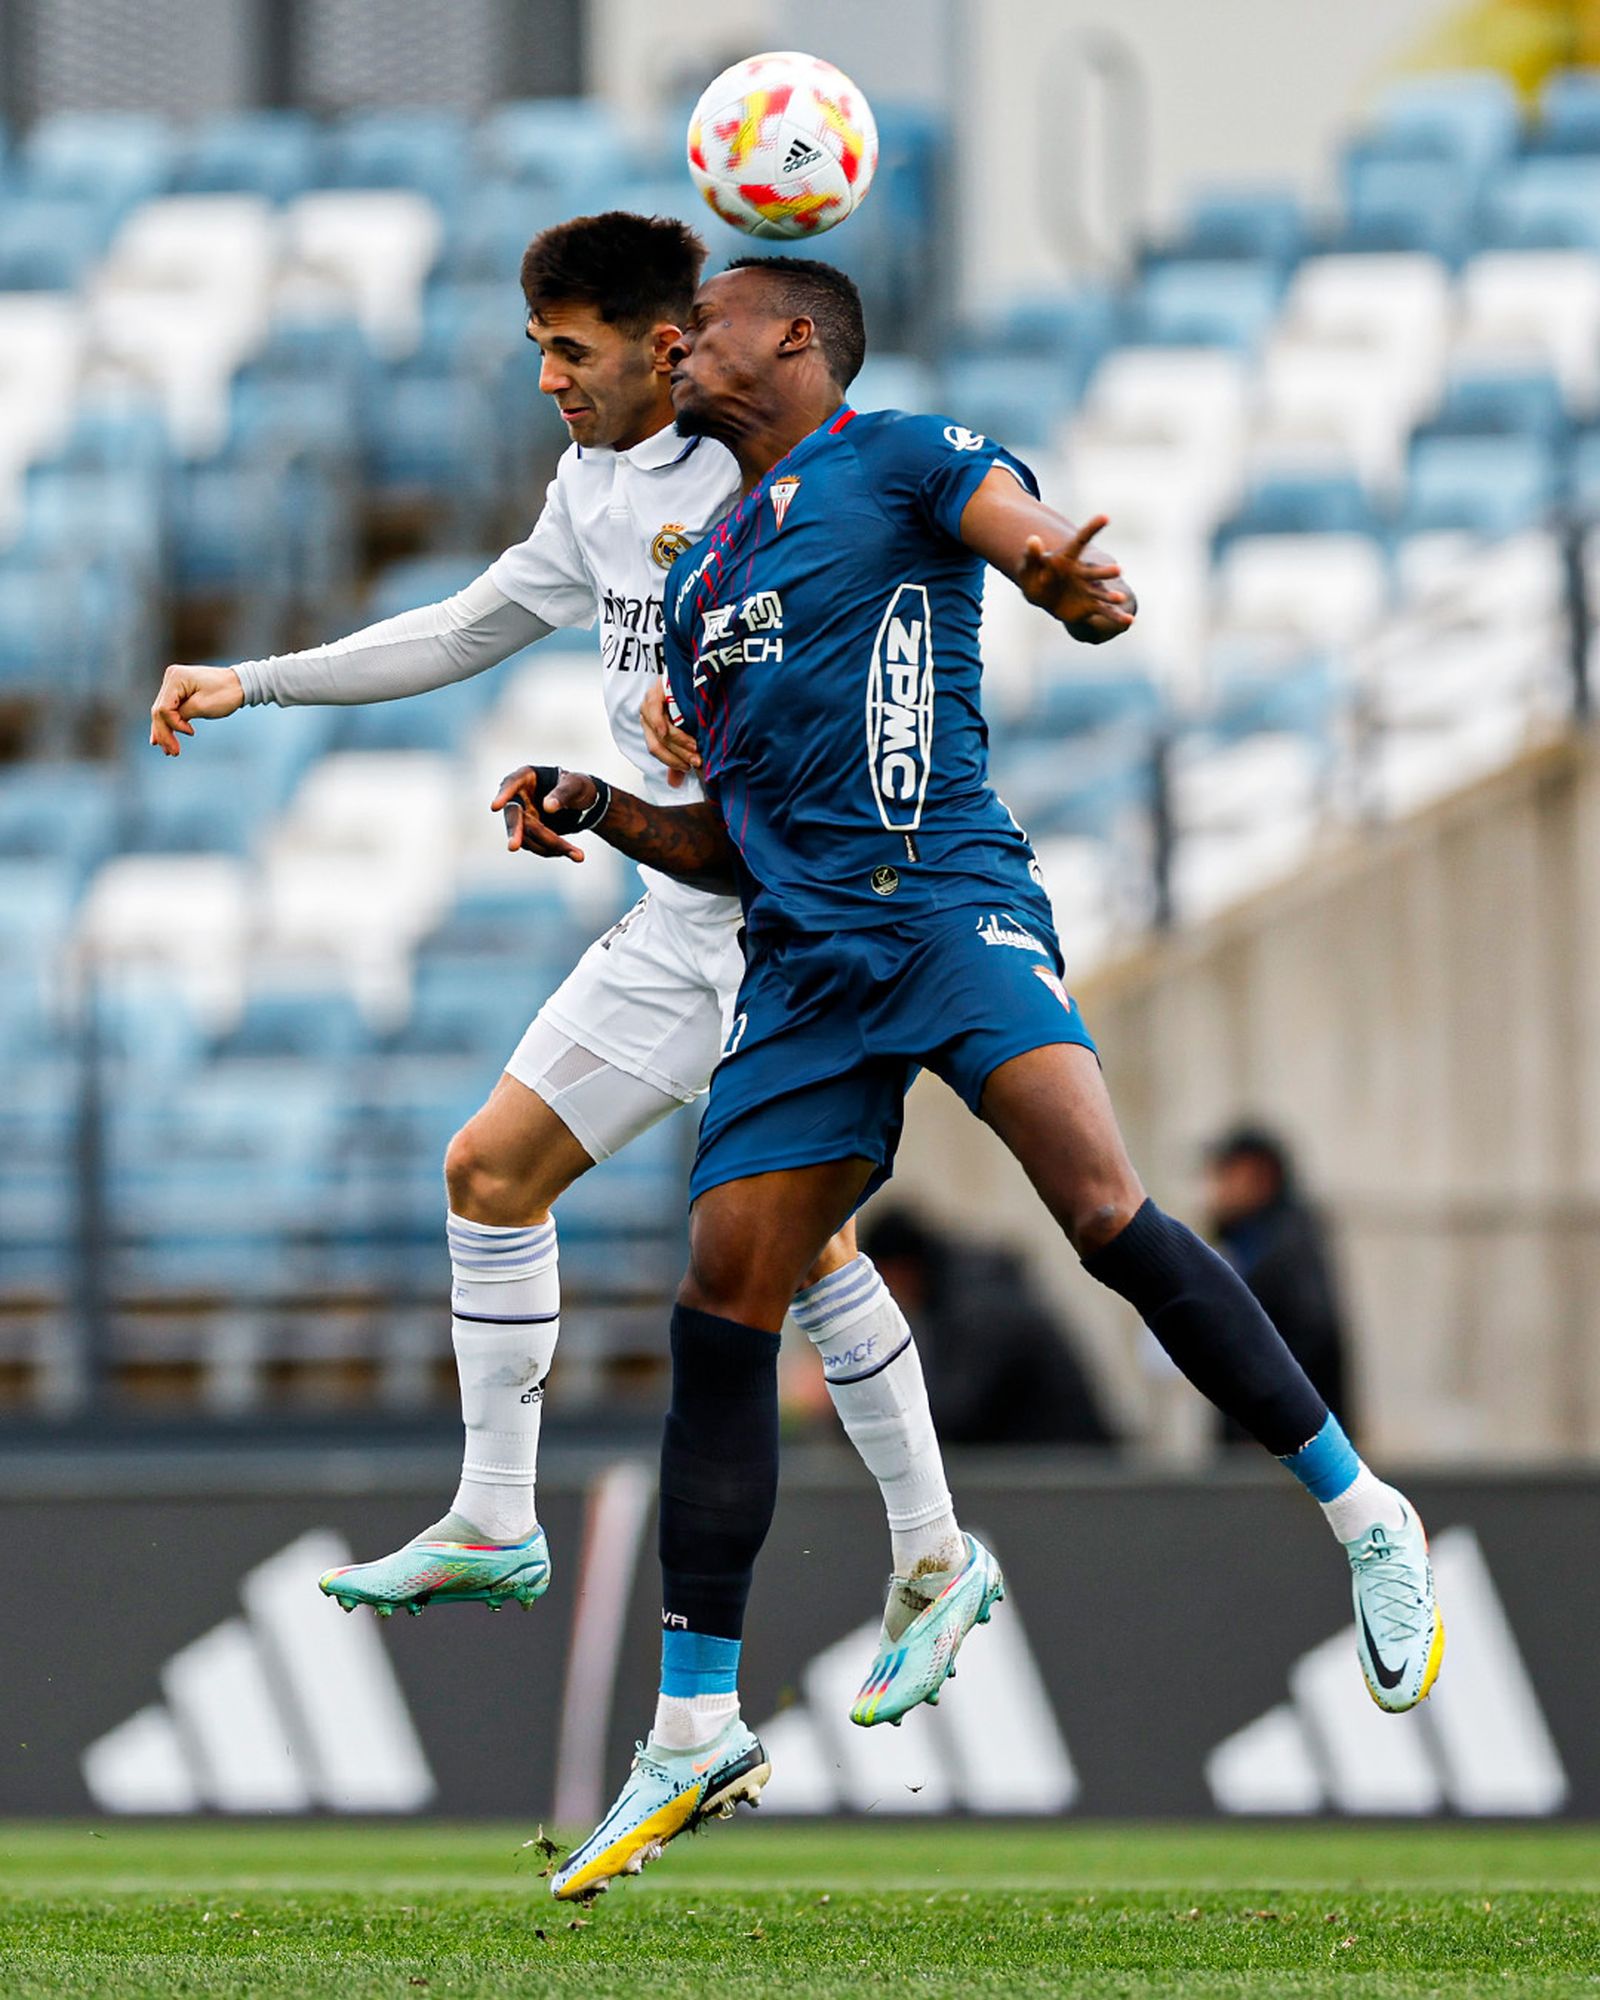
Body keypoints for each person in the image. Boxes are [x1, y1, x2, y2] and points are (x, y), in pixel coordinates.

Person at [495, 254, 1444, 1899]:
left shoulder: (912, 451)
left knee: (1096, 1203)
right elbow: (730, 840)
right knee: (722, 1300)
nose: (679, 341)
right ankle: (697, 1723)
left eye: (704, 321)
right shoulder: (710, 570)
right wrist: (600, 805)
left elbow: (1041, 552)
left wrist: (1080, 590)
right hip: (801, 965)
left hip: (945, 903)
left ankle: (1366, 1515)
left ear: (791, 338)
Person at [146, 214, 970, 1653]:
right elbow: (473, 622)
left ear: (667, 345)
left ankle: (934, 1552)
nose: (546, 378)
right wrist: (252, 681)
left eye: (568, 349)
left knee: (804, 1247)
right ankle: (495, 1515)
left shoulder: (766, 467)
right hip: (672, 917)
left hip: (788, 927)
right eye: (536, 349)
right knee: (488, 1169)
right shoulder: (593, 485)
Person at [862, 1206, 1116, 1446]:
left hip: (1071, 1475)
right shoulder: (957, 1298)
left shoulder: (981, 1307)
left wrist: (856, 1392)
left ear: (897, 1269)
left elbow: (953, 1416)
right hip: (1050, 1468)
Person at [1203, 1123, 1352, 1446]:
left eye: (1226, 1174)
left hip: (1288, 1451)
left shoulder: (1284, 1247)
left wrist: (1256, 1393)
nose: (1216, 1189)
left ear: (1260, 1176)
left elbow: (1312, 1330)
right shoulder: (1252, 1243)